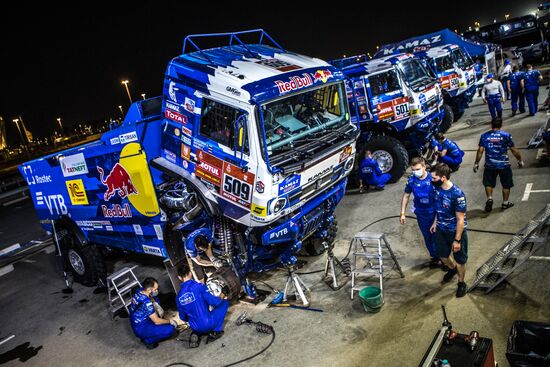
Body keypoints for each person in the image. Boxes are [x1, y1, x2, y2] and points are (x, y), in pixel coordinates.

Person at [429, 163, 468, 298]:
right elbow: (438, 208)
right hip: (441, 229)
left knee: (460, 260)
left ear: (443, 178)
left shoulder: (457, 194)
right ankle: (452, 269)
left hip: (455, 231)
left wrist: (457, 240)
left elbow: (460, 220)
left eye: (434, 178)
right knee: (442, 255)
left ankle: (461, 283)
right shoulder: (438, 189)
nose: (431, 181)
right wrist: (435, 222)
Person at [474, 117, 524, 212]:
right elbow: (513, 150)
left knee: (488, 183)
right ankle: (505, 203)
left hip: (490, 165)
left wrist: (476, 163)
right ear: (501, 125)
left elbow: (480, 150)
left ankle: (490, 198)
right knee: (506, 184)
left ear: (491, 125)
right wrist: (520, 160)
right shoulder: (506, 135)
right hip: (503, 165)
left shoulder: (484, 136)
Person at [176, 264, 229, 348]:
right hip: (208, 323)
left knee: (196, 320)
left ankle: (196, 333)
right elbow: (215, 302)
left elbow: (183, 317)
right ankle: (215, 332)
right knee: (225, 303)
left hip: (194, 326)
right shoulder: (199, 287)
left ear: (179, 277)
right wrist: (223, 293)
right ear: (190, 273)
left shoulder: (178, 296)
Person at [400, 157, 438, 267]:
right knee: (427, 236)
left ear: (424, 167)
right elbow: (406, 195)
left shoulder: (433, 178)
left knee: (438, 237)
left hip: (435, 212)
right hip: (422, 213)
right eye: (413, 170)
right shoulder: (411, 180)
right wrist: (403, 213)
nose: (415, 172)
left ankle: (444, 258)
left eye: (417, 169)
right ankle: (435, 257)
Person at [129, 277, 176, 349]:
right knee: (170, 329)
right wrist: (170, 321)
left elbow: (148, 298)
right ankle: (148, 340)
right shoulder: (147, 303)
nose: (157, 291)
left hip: (136, 320)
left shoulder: (139, 290)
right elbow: (157, 321)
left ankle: (149, 333)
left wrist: (154, 302)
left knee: (156, 300)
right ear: (149, 290)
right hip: (141, 327)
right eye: (155, 289)